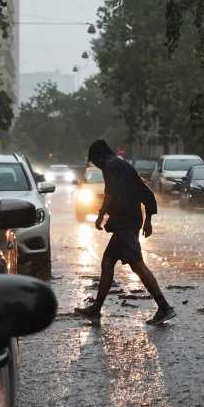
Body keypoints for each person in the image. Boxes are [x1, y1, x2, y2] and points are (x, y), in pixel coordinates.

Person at [74, 139, 176, 325]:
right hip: (129, 222)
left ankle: (164, 307)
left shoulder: (111, 166)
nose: (95, 165)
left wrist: (107, 217)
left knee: (137, 265)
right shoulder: (120, 165)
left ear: (99, 156)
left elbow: (113, 195)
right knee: (108, 263)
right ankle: (96, 309)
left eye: (94, 161)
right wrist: (146, 219)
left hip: (126, 225)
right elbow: (141, 192)